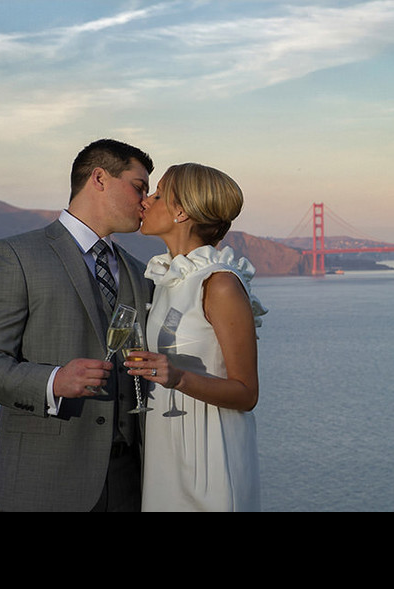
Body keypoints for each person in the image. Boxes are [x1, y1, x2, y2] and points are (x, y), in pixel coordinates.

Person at [0, 139, 155, 512]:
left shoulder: (138, 271)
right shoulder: (15, 255)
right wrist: (53, 381)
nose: (145, 200)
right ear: (99, 178)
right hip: (42, 482)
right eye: (139, 186)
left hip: (131, 483)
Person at [125, 163, 267, 512]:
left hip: (209, 453)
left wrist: (178, 377)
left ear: (181, 211)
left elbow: (247, 393)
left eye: (158, 195)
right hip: (166, 449)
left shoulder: (219, 284)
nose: (146, 201)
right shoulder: (168, 279)